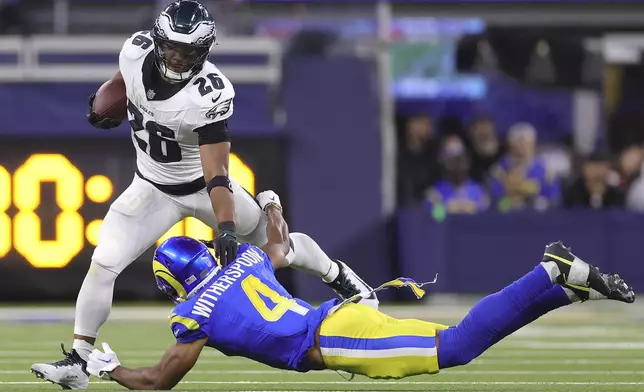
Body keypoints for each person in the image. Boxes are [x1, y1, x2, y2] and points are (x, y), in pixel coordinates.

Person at [30, 2, 375, 389]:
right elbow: (122, 83)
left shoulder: (208, 93)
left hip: (201, 187)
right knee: (104, 262)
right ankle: (79, 359)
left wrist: (226, 226)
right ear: (159, 41)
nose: (177, 57)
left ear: (204, 52)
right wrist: (103, 103)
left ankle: (339, 275)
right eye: (172, 47)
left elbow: (217, 172)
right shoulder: (135, 50)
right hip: (150, 186)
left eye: (188, 51)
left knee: (278, 244)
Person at [72, 190, 634, 390]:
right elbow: (280, 241)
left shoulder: (192, 312)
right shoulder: (244, 261)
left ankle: (551, 275)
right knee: (453, 345)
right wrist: (269, 203)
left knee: (456, 346)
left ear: (174, 283)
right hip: (336, 320)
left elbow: (160, 380)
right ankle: (564, 289)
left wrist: (108, 369)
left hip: (335, 336)